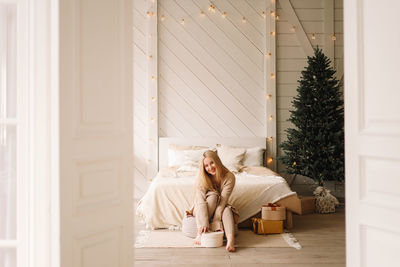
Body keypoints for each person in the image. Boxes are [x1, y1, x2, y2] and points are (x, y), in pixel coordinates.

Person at [192, 150, 238, 252]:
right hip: (204, 207)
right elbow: (199, 201)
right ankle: (200, 233)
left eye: (212, 163)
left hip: (221, 206)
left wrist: (216, 220)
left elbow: (223, 200)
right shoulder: (202, 177)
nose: (210, 168)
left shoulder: (229, 177)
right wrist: (203, 223)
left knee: (227, 209)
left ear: (217, 161)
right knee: (213, 196)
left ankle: (230, 241)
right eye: (206, 166)